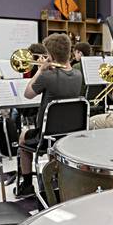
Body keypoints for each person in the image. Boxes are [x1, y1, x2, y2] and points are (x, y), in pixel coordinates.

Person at [20, 33, 82, 175]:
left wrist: (40, 70)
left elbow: (28, 94)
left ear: (51, 56)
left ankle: (27, 184)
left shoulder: (47, 76)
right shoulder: (78, 75)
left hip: (46, 135)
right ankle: (54, 175)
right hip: (69, 132)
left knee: (23, 137)